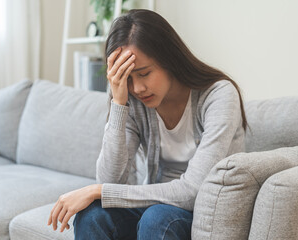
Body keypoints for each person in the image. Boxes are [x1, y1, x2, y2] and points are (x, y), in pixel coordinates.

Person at [48, 9, 248, 240]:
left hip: (201, 212)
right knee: (92, 215)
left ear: (169, 59)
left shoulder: (219, 96)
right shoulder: (134, 102)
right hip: (153, 210)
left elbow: (193, 191)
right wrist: (119, 103)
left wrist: (98, 192)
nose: (137, 88)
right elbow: (109, 180)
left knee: (157, 217)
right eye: (127, 78)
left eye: (144, 73)